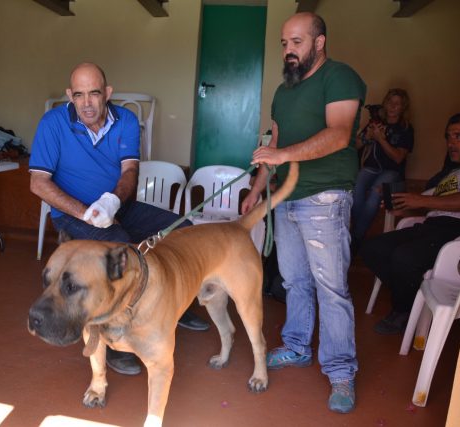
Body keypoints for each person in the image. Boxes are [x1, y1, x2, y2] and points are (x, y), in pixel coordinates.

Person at [29, 62, 209, 376]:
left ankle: (175, 305)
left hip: (118, 207)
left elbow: (130, 172)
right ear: (70, 95)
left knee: (184, 230)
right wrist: (84, 212)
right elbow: (38, 183)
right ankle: (113, 336)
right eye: (79, 95)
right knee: (124, 251)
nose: (87, 103)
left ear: (107, 93)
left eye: (94, 94)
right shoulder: (53, 123)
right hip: (74, 217)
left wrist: (112, 200)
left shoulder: (125, 120)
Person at [241, 12, 366, 414]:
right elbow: (272, 146)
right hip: (285, 198)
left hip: (325, 198)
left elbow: (340, 133)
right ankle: (297, 347)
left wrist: (281, 155)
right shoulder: (283, 91)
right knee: (294, 280)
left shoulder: (340, 77)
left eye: (297, 42)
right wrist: (257, 193)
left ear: (319, 42)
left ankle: (341, 371)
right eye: (284, 43)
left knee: (331, 288)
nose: (288, 51)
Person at [361, 112, 460, 335]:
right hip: (429, 227)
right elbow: (430, 202)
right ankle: (415, 298)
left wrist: (421, 200)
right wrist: (403, 206)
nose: (451, 143)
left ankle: (404, 311)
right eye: (448, 137)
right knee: (373, 248)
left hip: (457, 235)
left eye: (458, 136)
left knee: (405, 256)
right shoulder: (446, 172)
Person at [351, 89, 414, 251]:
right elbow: (356, 145)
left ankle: (356, 237)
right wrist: (368, 137)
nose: (392, 106)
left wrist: (381, 139)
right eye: (390, 102)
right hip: (371, 169)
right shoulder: (376, 122)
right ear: (384, 104)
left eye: (397, 104)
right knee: (356, 185)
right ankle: (358, 235)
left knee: (375, 192)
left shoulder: (406, 128)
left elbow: (398, 158)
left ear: (403, 107)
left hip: (393, 173)